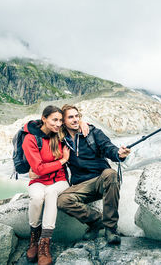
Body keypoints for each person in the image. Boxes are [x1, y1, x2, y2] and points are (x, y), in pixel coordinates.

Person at [22, 105, 88, 265]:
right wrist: (62, 161)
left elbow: (73, 121)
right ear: (44, 119)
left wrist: (84, 122)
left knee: (51, 193)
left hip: (59, 181)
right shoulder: (30, 139)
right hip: (38, 180)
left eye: (60, 120)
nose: (58, 124)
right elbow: (37, 169)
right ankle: (34, 238)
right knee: (37, 198)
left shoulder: (60, 134)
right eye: (54, 120)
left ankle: (45, 243)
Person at [56, 104, 131, 244]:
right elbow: (41, 124)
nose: (75, 120)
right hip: (81, 185)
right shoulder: (60, 139)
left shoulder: (93, 132)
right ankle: (97, 221)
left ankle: (111, 229)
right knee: (62, 201)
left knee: (111, 174)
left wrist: (118, 154)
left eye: (77, 116)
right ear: (63, 121)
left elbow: (107, 147)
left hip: (101, 179)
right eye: (70, 117)